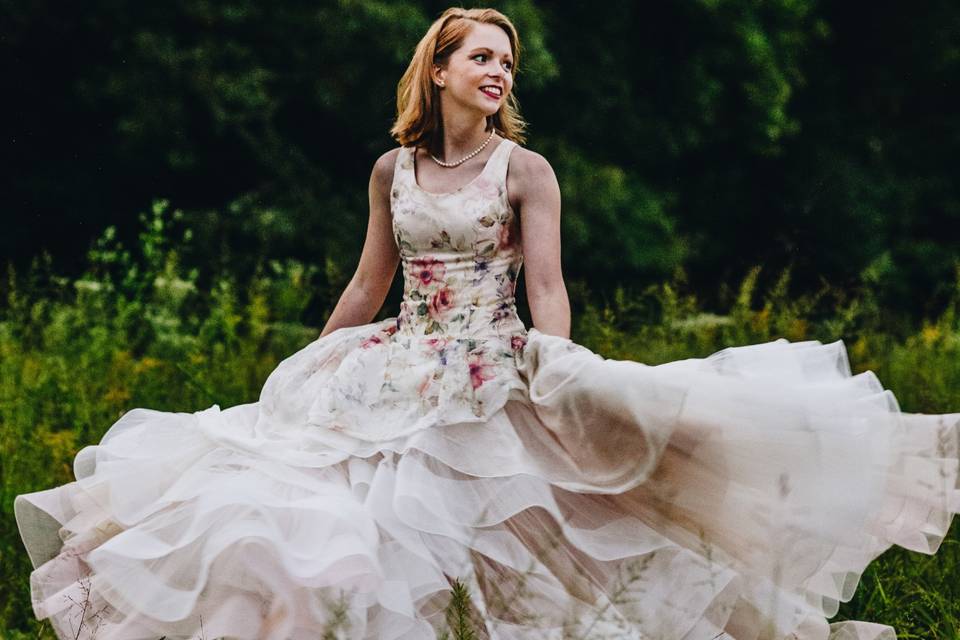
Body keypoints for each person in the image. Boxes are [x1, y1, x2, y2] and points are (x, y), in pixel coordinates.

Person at [14, 6, 960, 640]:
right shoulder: (393, 172)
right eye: (482, 56)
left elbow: (546, 286)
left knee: (516, 522)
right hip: (391, 366)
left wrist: (561, 364)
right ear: (439, 68)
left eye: (508, 60)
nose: (499, 70)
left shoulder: (527, 171)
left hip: (487, 366)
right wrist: (306, 363)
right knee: (322, 513)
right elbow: (367, 283)